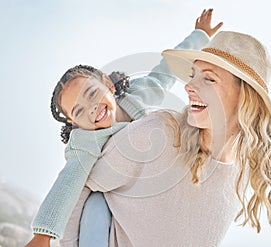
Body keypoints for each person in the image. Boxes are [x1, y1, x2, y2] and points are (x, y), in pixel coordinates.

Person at [61, 26, 271, 246]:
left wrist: (199, 34)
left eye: (208, 79)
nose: (188, 86)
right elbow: (79, 186)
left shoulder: (241, 174)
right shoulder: (156, 133)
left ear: (244, 96)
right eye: (193, 76)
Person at [25, 9, 223, 247]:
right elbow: (67, 183)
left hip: (145, 190)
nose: (92, 108)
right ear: (74, 124)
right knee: (95, 206)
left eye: (92, 93)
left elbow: (164, 72)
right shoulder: (86, 141)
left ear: (108, 84)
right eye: (79, 111)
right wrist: (43, 235)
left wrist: (199, 35)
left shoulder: (136, 96)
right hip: (108, 200)